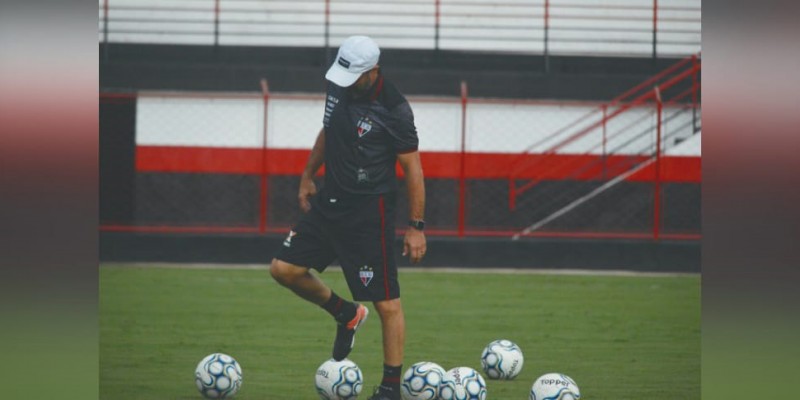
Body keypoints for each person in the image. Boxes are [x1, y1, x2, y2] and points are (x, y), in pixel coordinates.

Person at [269, 35, 426, 400]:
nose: (344, 81)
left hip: (370, 213)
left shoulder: (396, 110)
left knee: (387, 303)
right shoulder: (338, 84)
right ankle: (345, 314)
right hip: (329, 205)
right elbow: (328, 130)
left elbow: (413, 171)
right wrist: (308, 175)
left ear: (374, 71)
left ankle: (390, 387)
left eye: (354, 75)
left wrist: (416, 227)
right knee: (283, 270)